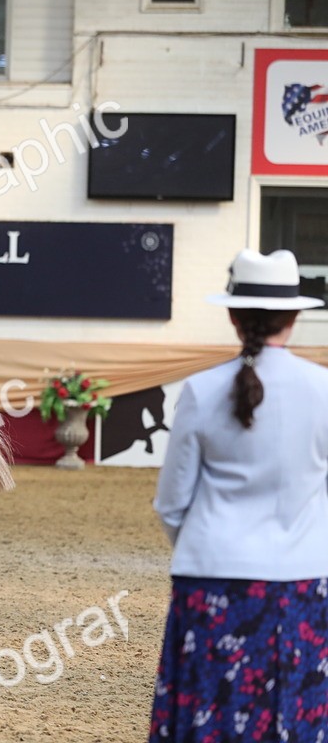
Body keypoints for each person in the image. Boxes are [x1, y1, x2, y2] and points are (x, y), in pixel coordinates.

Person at [149, 249, 328, 742]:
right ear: (294, 316)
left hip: (211, 582)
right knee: (294, 716)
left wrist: (210, 546)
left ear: (233, 315)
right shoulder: (323, 388)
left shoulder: (202, 390)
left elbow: (171, 504)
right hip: (302, 585)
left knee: (210, 714)